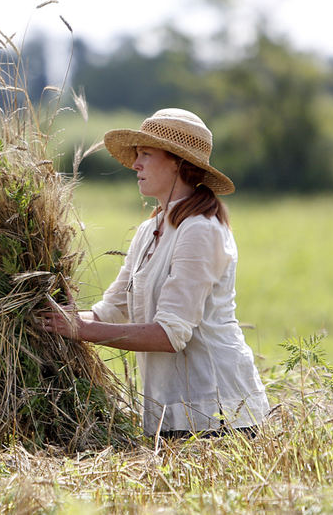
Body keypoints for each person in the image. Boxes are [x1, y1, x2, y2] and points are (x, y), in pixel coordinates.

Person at [39, 108, 269, 438]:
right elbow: (112, 311)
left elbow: (170, 335)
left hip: (217, 412)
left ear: (178, 161)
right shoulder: (150, 229)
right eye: (137, 155)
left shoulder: (200, 230)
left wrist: (80, 330)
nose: (136, 164)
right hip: (170, 411)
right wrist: (55, 318)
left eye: (146, 154)